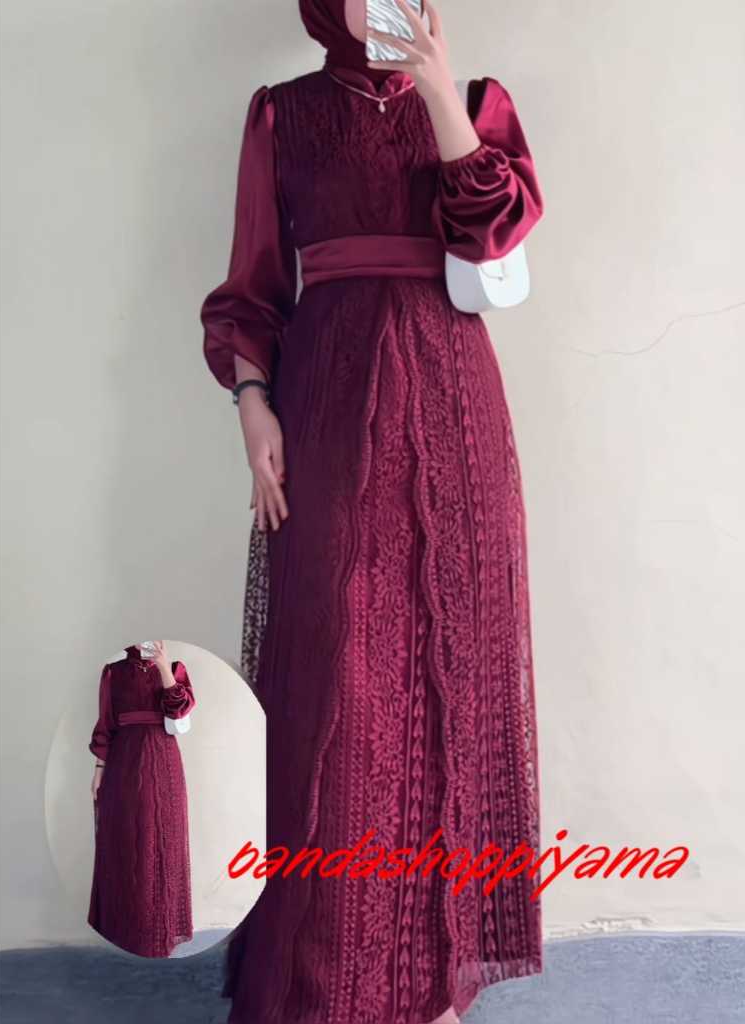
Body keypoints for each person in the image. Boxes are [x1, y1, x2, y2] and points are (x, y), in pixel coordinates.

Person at [200, 1, 544, 1020]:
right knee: (335, 687)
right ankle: (324, 984)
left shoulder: (477, 102)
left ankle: (438, 979)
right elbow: (253, 284)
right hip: (327, 408)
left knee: (454, 681)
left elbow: (496, 254)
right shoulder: (281, 115)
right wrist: (251, 400)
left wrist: (440, 95)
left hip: (455, 409)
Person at [88, 640, 196, 958]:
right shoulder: (112, 673)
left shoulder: (175, 669)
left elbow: (180, 718)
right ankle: (126, 929)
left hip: (164, 762)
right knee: (126, 841)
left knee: (163, 842)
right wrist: (99, 769)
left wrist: (163, 667)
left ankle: (158, 930)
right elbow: (106, 724)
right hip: (123, 764)